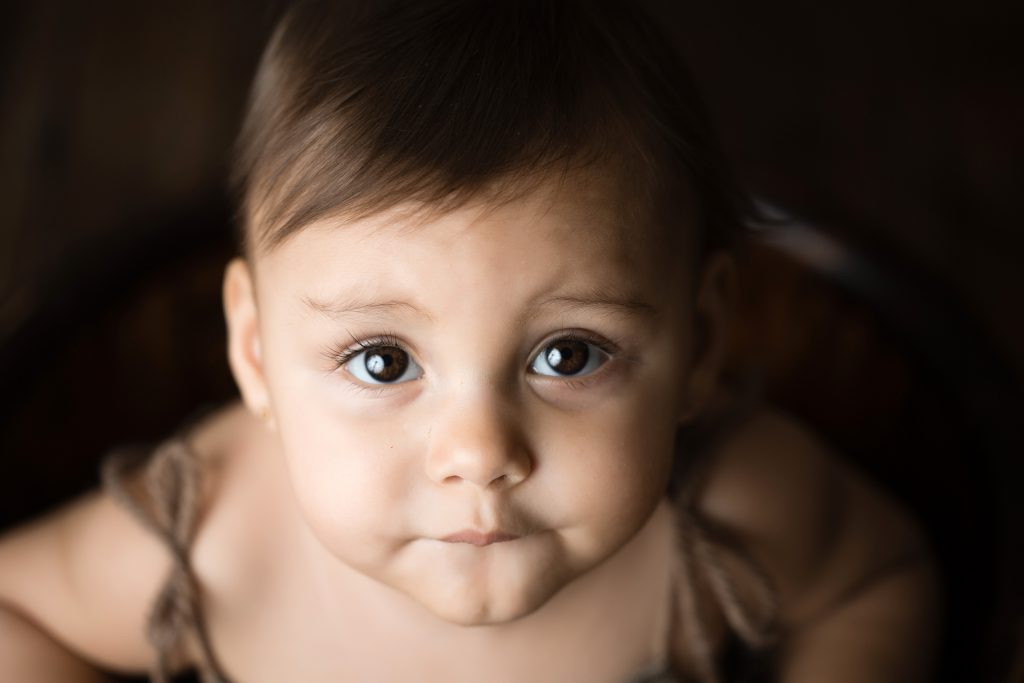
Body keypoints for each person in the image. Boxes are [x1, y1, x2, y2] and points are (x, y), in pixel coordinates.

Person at [0, 1, 940, 681]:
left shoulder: (728, 513)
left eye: (567, 355)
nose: (481, 454)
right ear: (255, 352)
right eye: (384, 360)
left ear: (698, 345)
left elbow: (882, 582)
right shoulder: (205, 550)